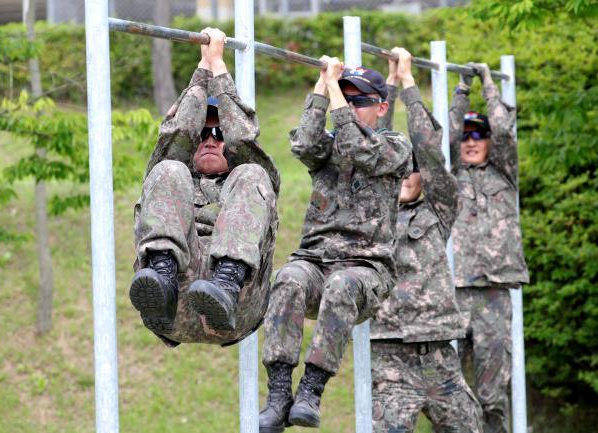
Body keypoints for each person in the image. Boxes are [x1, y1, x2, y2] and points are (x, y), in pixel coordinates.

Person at [259, 57, 412, 433]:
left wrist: (335, 96)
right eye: (345, 98)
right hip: (316, 261)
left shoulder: (395, 147)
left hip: (365, 271)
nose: (349, 106)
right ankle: (279, 394)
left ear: (382, 107)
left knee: (342, 286)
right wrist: (320, 87)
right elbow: (305, 143)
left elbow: (362, 151)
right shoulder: (329, 147)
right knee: (289, 278)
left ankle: (312, 390)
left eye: (359, 100)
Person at [129, 28, 280, 347]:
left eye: (218, 133)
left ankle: (226, 281)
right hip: (171, 307)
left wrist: (219, 68)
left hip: (235, 306)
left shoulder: (252, 180)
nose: (211, 139)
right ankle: (162, 276)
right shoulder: (175, 179)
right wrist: (201, 71)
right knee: (167, 169)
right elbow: (178, 133)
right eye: (204, 133)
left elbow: (243, 139)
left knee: (251, 172)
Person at [370, 47, 483, 433]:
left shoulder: (439, 210)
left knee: (469, 426)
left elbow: (431, 150)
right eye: (397, 167)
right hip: (387, 357)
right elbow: (372, 141)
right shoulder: (369, 208)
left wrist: (409, 85)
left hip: (438, 353)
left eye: (411, 168)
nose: (405, 173)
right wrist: (385, 84)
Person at [449, 63, 529, 433]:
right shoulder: (448, 178)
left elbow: (505, 132)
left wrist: (488, 87)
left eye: (478, 135)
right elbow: (440, 142)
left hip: (493, 294)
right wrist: (461, 91)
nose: (470, 141)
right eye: (466, 136)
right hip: (452, 292)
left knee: (492, 395)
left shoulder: (504, 173)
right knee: (449, 394)